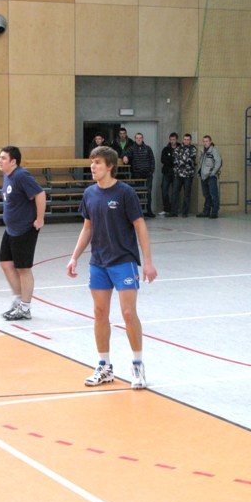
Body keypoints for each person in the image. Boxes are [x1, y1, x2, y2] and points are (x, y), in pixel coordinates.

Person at [66, 146, 157, 390]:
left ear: (110, 166)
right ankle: (104, 366)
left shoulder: (125, 193)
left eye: (97, 162)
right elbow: (87, 228)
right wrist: (74, 257)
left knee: (128, 313)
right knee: (99, 313)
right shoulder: (89, 193)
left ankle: (137, 365)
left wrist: (148, 261)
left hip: (123, 260)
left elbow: (140, 226)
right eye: (91, 162)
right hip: (99, 262)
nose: (92, 166)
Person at [0, 145, 47, 321]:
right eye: (0, 157)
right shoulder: (8, 176)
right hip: (11, 229)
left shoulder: (21, 175)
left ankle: (25, 308)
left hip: (24, 229)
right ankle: (18, 301)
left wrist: (39, 218)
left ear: (13, 161)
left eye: (3, 158)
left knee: (23, 268)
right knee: (5, 263)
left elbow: (40, 194)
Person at [123, 132, 156, 217]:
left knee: (148, 192)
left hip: (147, 174)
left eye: (140, 138)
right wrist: (125, 156)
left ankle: (148, 211)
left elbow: (152, 160)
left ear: (142, 139)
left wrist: (151, 171)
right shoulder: (132, 148)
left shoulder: (148, 148)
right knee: (138, 193)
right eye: (137, 138)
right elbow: (124, 153)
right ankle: (139, 211)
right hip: (137, 175)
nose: (138, 139)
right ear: (135, 139)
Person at [170, 133, 197, 217]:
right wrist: (184, 161)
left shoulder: (193, 149)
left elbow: (191, 160)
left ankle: (185, 212)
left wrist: (182, 161)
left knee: (187, 194)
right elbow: (175, 160)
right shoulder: (178, 148)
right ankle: (173, 212)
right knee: (175, 193)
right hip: (178, 174)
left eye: (188, 140)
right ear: (182, 140)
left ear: (190, 141)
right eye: (185, 139)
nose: (186, 141)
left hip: (188, 175)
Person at [197, 135, 222, 219]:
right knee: (206, 195)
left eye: (207, 141)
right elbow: (201, 163)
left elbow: (218, 162)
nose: (205, 143)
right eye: (204, 141)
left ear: (210, 141)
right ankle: (206, 211)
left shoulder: (214, 150)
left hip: (211, 176)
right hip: (203, 176)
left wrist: (213, 172)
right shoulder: (202, 151)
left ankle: (214, 212)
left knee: (213, 194)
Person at [159, 132, 179, 216]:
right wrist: (172, 160)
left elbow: (179, 160)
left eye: (174, 139)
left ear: (176, 140)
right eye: (171, 139)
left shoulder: (180, 148)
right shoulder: (166, 149)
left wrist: (170, 159)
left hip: (176, 173)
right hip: (167, 172)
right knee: (164, 190)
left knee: (175, 192)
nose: (172, 141)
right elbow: (163, 160)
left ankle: (173, 210)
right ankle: (166, 208)